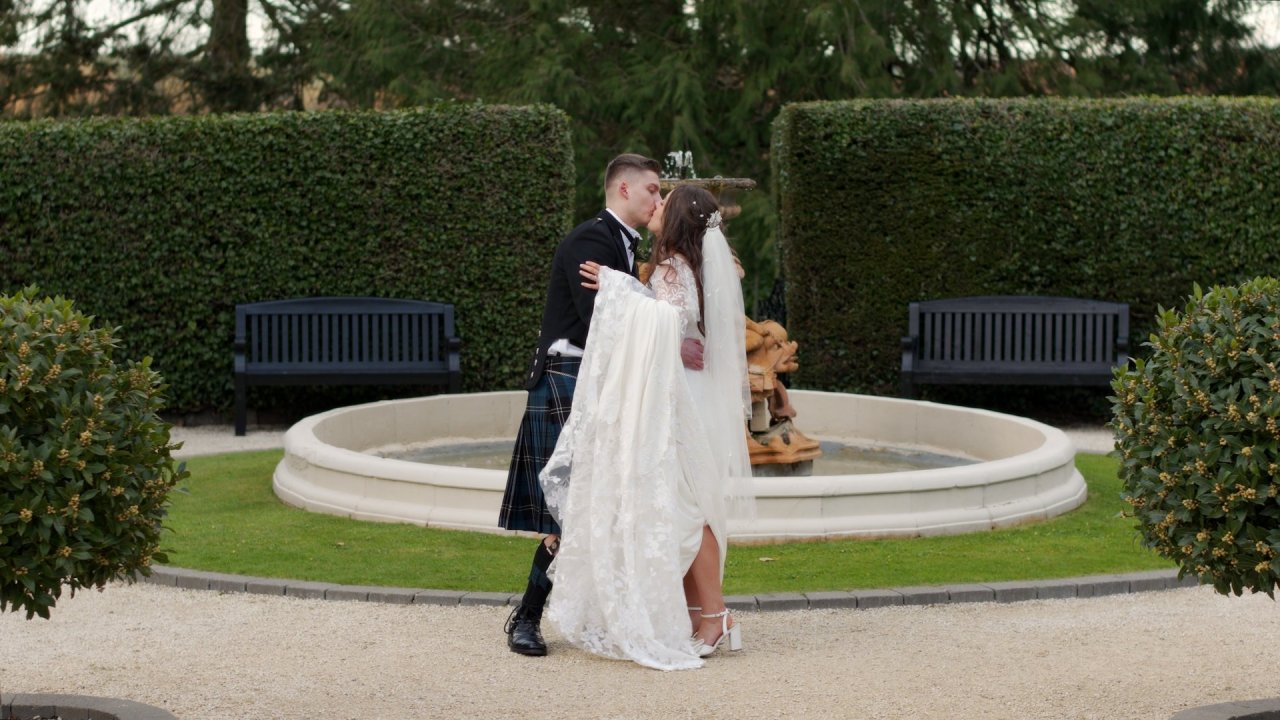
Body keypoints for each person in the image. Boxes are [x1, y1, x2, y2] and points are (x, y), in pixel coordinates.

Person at [539, 184, 755, 670]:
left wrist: (617, 288)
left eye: (664, 201)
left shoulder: (675, 266)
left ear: (676, 216)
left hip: (682, 400)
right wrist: (631, 286)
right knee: (679, 503)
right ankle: (698, 613)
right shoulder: (684, 264)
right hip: (684, 392)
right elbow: (674, 323)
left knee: (688, 504)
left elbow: (668, 325)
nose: (655, 206)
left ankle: (716, 614)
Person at [498, 153, 704, 657]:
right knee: (567, 509)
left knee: (594, 506)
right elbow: (605, 324)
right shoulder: (592, 241)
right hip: (569, 381)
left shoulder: (620, 243)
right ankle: (526, 617)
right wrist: (672, 340)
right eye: (653, 190)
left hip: (595, 385)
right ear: (624, 190)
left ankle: (584, 610)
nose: (659, 198)